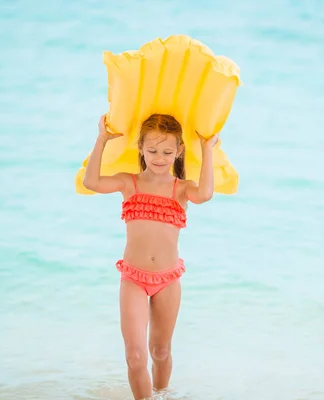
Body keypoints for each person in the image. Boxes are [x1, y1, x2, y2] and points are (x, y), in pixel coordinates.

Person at [83, 113, 218, 400]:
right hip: (133, 278)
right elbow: (91, 182)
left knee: (160, 350)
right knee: (134, 355)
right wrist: (102, 139)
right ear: (141, 149)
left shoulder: (180, 189)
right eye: (153, 150)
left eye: (168, 152)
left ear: (179, 151)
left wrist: (207, 149)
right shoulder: (128, 183)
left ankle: (162, 394)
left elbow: (205, 194)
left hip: (167, 281)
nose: (159, 157)